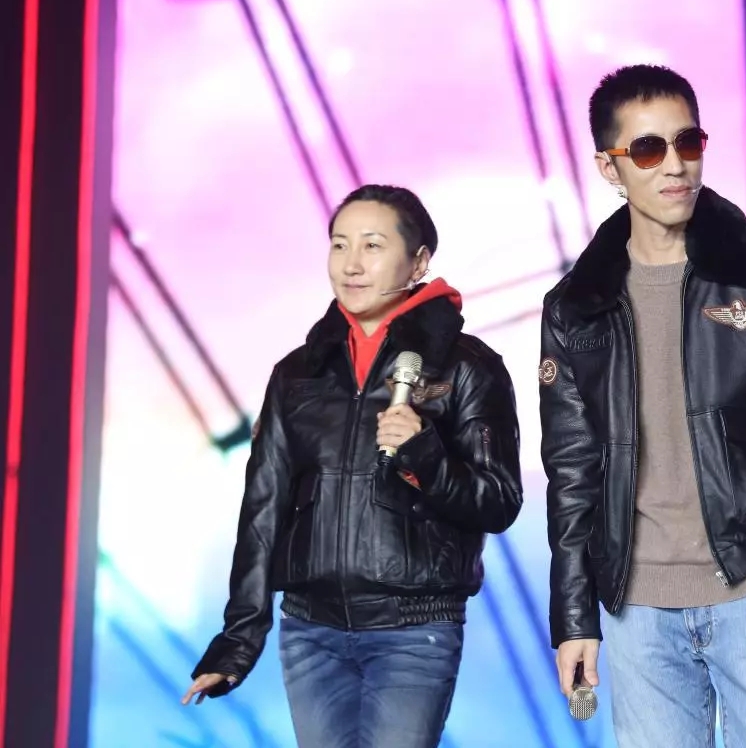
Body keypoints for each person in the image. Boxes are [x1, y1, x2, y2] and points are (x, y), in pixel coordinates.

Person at [539, 64, 746, 747]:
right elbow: (571, 472)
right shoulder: (575, 307)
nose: (675, 165)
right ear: (609, 167)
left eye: (688, 142)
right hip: (636, 611)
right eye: (649, 149)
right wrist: (573, 617)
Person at [182, 184, 524, 748]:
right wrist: (237, 642)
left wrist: (424, 455)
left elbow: (499, 501)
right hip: (309, 631)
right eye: (340, 245)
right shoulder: (298, 373)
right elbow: (264, 508)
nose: (352, 264)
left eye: (372, 245)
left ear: (419, 262)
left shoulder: (467, 368)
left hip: (414, 629)